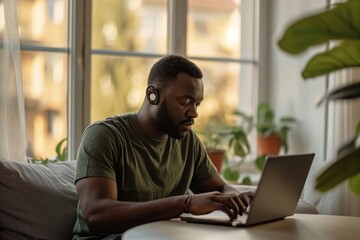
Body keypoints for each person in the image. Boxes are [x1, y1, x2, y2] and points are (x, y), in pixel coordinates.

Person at [72, 55, 254, 239]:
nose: (194, 113)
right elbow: (96, 214)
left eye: (197, 103)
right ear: (153, 95)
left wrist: (239, 199)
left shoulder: (188, 141)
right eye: (185, 101)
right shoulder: (104, 136)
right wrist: (185, 204)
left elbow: (221, 189)